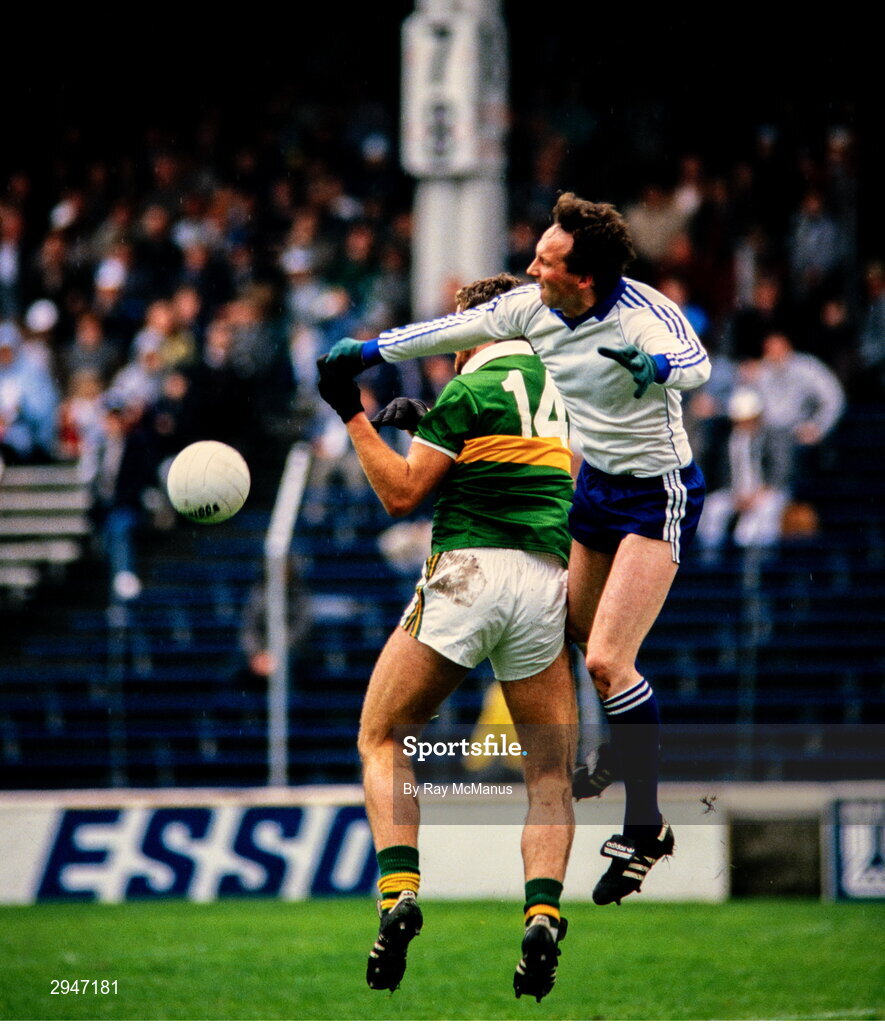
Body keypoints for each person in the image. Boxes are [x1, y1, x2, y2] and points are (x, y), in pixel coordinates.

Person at [323, 192, 712, 907]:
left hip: (657, 492)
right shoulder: (530, 308)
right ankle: (604, 765)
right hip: (592, 486)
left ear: (585, 275)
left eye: (546, 259)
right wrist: (370, 350)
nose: (531, 266)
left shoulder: (642, 314)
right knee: (566, 628)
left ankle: (645, 824)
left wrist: (651, 369)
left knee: (605, 659)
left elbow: (695, 362)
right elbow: (452, 329)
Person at [317, 273, 577, 1003]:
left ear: (477, 331)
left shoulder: (468, 391)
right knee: (550, 777)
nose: (447, 353)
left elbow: (402, 492)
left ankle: (397, 891)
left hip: (468, 572)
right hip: (543, 581)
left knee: (381, 736)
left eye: (454, 337)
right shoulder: (563, 386)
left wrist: (353, 414)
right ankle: (542, 911)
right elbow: (533, 463)